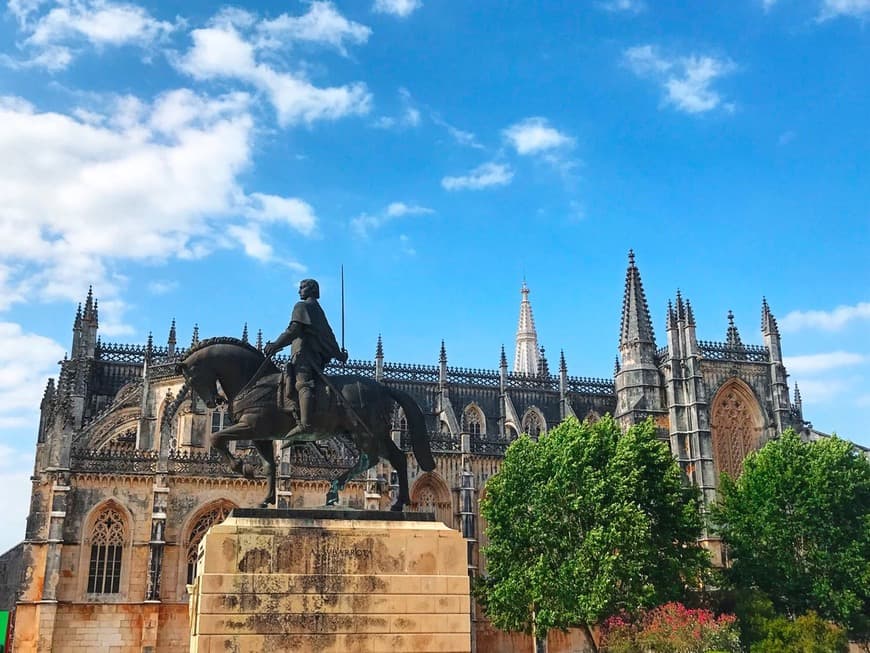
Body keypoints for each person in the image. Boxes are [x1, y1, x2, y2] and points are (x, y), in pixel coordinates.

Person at [264, 278, 348, 437]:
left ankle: (305, 424)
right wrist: (339, 355)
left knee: (303, 384)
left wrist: (274, 345)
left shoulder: (302, 306)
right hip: (315, 357)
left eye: (302, 287)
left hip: (305, 356)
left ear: (311, 289)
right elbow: (329, 336)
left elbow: (294, 330)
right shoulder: (317, 309)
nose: (299, 291)